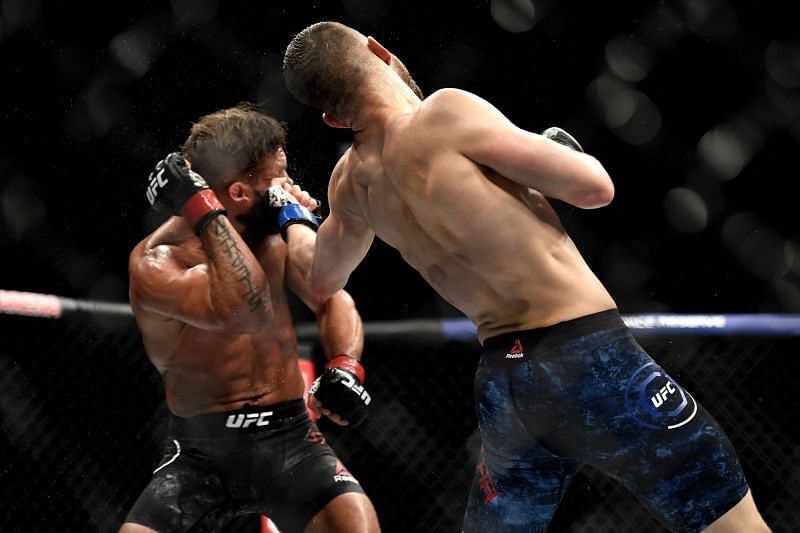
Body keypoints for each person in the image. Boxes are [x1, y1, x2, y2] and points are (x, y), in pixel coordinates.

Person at [280, 21, 771, 533]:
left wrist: (288, 214)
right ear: (381, 52)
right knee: (731, 522)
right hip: (589, 358)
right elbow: (594, 188)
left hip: (508, 384)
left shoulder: (349, 186)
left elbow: (321, 280)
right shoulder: (444, 112)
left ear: (333, 118)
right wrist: (556, 151)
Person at [122, 103, 380, 533]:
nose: (288, 185)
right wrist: (204, 209)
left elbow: (332, 299)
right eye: (277, 177)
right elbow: (246, 309)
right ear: (239, 193)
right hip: (200, 451)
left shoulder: (276, 233)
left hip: (289, 437)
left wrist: (345, 366)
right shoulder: (158, 261)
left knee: (356, 524)